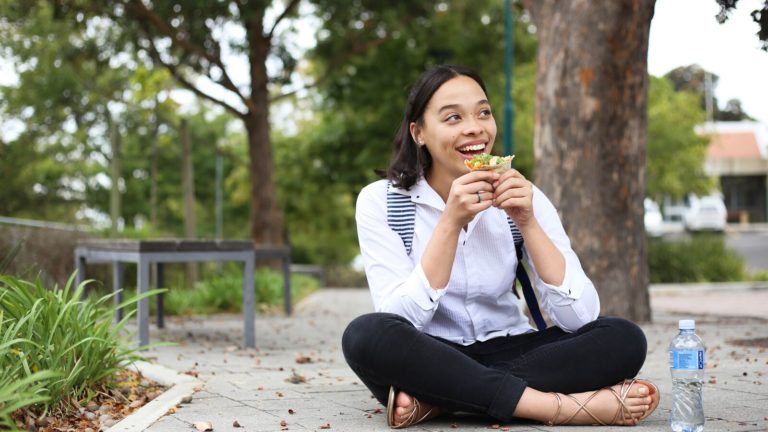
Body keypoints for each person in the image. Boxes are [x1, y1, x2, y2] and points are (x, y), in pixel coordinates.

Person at [341, 64, 660, 429]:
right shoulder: (382, 202)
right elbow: (399, 319)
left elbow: (581, 317)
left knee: (624, 338)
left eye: (483, 112)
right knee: (365, 336)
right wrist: (450, 222)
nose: (475, 126)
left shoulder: (525, 196)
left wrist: (528, 222)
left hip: (512, 347)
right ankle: (558, 408)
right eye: (452, 117)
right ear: (419, 133)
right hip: (430, 353)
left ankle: (441, 401)